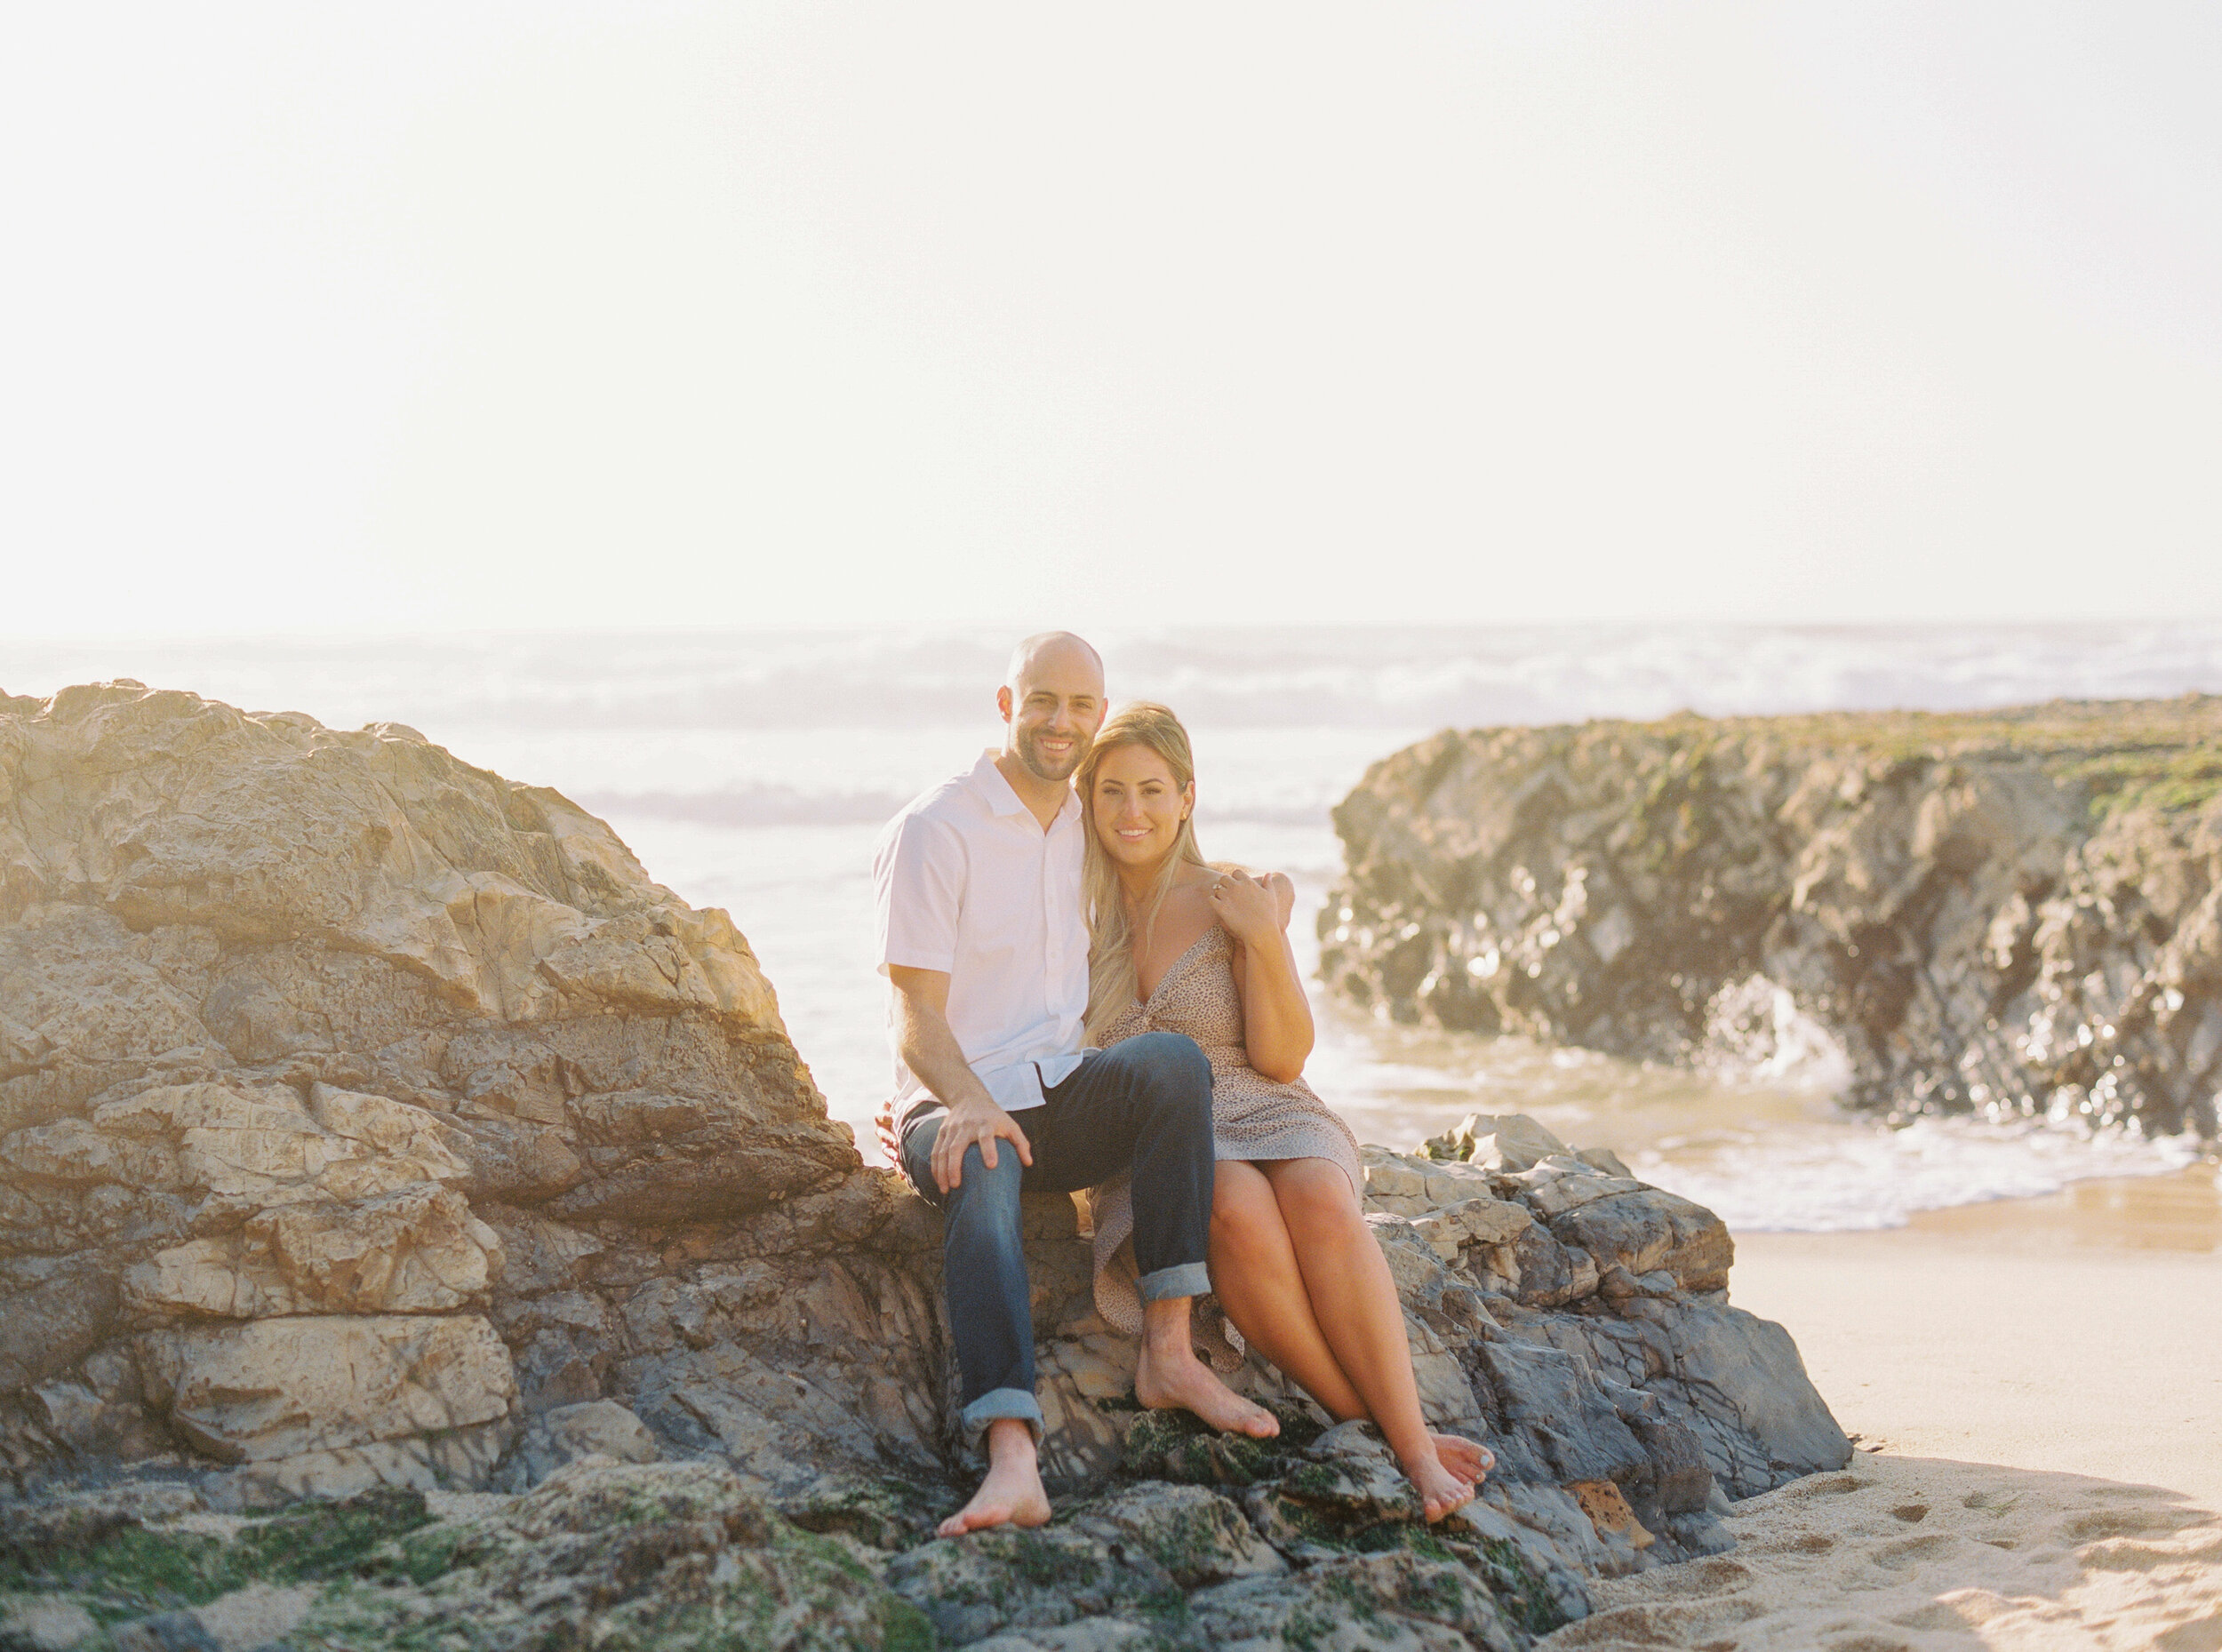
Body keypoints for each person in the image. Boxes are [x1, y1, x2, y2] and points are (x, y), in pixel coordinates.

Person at [874, 634, 1278, 1540]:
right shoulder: (936, 828)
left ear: (1098, 715)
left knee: (1173, 1062)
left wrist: (1261, 913)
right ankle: (1012, 1451)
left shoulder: (1078, 828)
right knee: (981, 1159)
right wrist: (961, 1098)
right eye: (1042, 699)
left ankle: (1168, 1351)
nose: (1062, 719)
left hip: (1058, 1094)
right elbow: (913, 1013)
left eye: (1080, 704)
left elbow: (1157, 864)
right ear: (1006, 703)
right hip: (957, 1098)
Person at [1077, 701, 1492, 1522]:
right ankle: (1385, 1432)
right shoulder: (1070, 923)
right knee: (1235, 1210)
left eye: (1153, 790)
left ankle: (1403, 1435)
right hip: (1165, 1132)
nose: (1133, 812)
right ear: (1086, 801)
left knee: (1319, 1204)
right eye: (1112, 791)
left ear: (1187, 796)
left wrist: (1263, 938)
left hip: (1268, 1103)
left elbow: (1283, 1057)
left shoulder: (1237, 894)